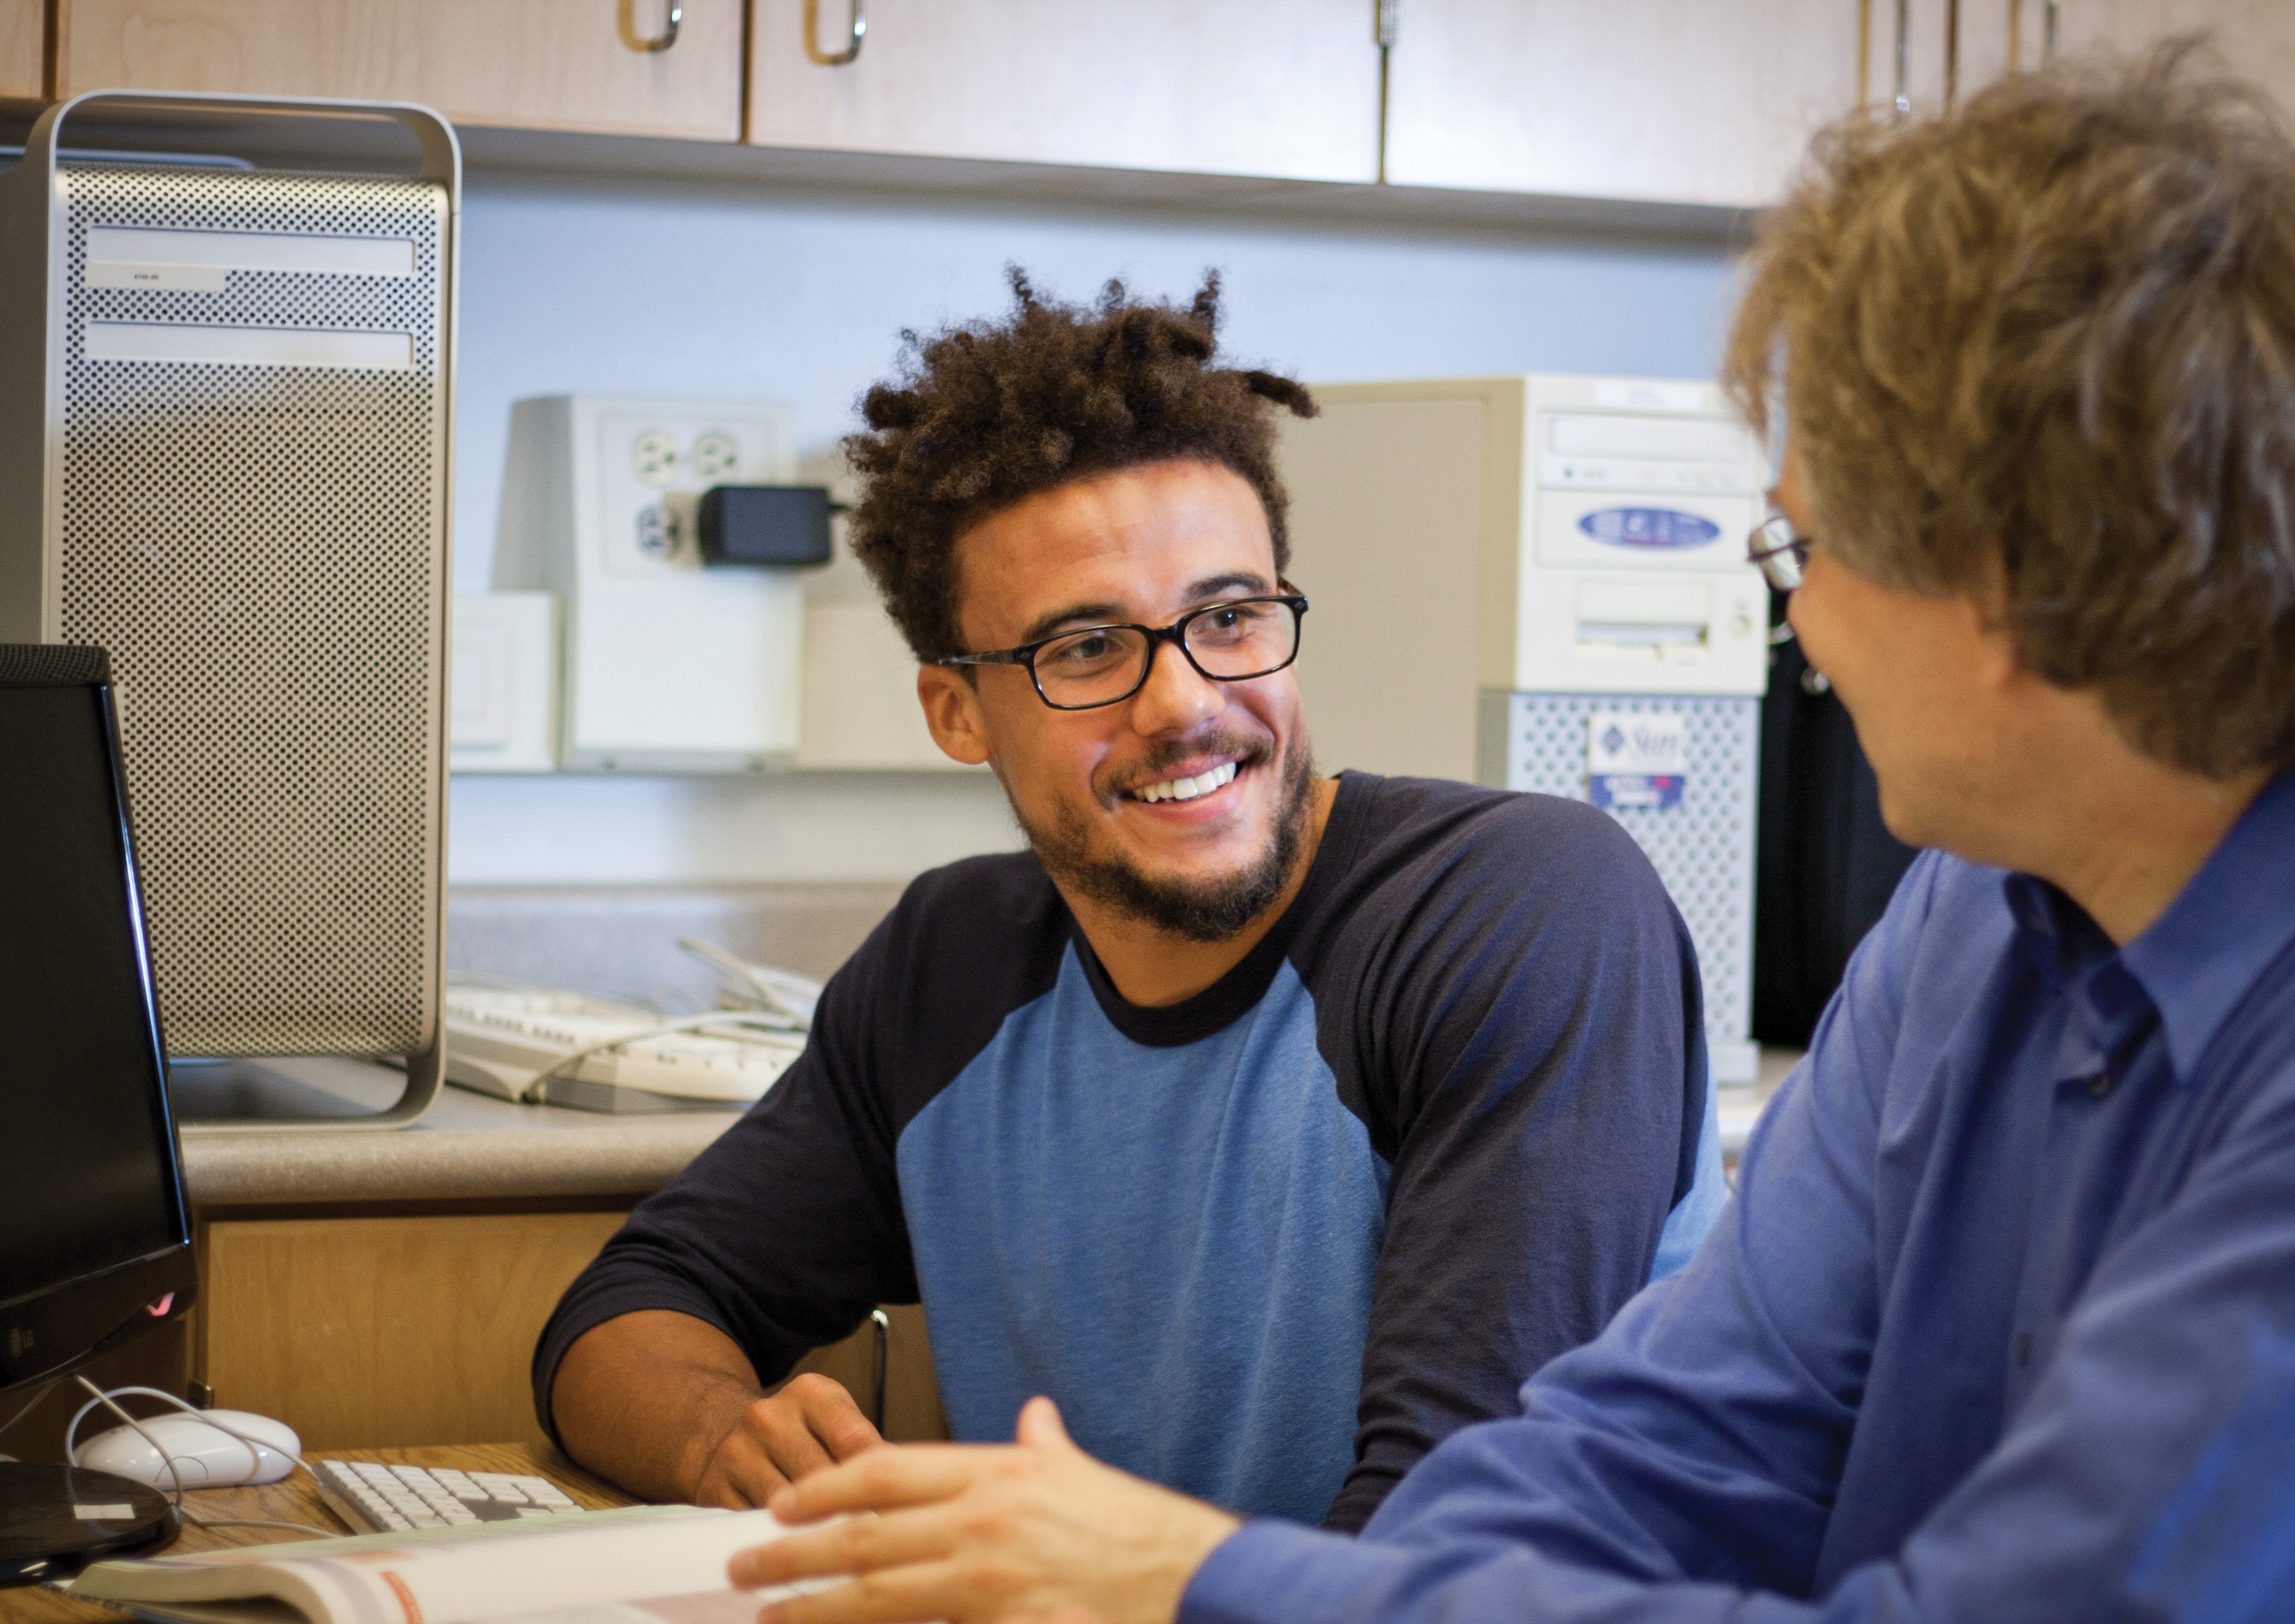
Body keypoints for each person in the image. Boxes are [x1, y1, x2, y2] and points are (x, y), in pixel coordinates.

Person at [721, 46, 2295, 1624]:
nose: (1803, 643)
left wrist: (1210, 1587)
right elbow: (1676, 1446)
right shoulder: (1977, 915)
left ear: (2001, 583)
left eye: (1800, 557)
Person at [534, 271, 1727, 1533]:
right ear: (954, 711)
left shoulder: (1519, 913)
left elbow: (1443, 1541)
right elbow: (627, 1312)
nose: (1183, 703)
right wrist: (724, 1438)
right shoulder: (952, 970)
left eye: (1229, 616)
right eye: (1086, 649)